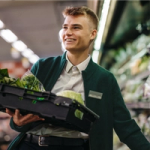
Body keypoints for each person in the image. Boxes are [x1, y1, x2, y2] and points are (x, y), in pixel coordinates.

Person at [6, 6, 150, 150]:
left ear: (92, 34)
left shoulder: (105, 79)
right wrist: (17, 122)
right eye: (65, 27)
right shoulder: (43, 66)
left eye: (76, 27)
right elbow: (20, 109)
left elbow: (125, 126)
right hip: (33, 145)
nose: (68, 32)